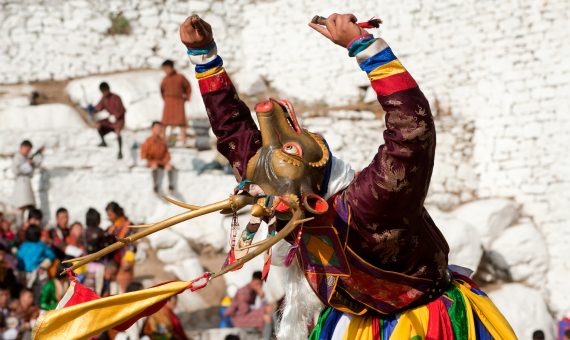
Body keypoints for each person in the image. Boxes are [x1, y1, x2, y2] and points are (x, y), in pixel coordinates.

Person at [179, 14, 516, 339]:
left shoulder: (371, 201)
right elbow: (235, 137)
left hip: (428, 322)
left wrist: (364, 47)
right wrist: (204, 57)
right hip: (351, 324)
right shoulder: (274, 186)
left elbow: (412, 131)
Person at [224, 271, 275, 338]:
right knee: (267, 318)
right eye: (258, 284)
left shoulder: (252, 291)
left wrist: (262, 299)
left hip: (246, 316)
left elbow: (257, 307)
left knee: (270, 311)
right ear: (254, 281)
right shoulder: (243, 292)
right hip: (239, 319)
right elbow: (245, 311)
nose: (260, 286)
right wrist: (263, 308)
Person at [160, 59, 192, 146]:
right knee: (164, 122)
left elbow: (188, 87)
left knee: (181, 122)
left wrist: (187, 97)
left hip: (179, 101)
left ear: (172, 68)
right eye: (164, 69)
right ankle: (163, 141)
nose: (165, 71)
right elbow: (161, 90)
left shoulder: (180, 77)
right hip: (168, 101)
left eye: (167, 68)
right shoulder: (164, 79)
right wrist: (166, 99)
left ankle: (183, 141)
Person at [92, 82, 126, 159]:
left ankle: (120, 151)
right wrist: (92, 109)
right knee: (98, 124)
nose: (104, 93)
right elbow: (99, 107)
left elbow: (121, 110)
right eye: (103, 92)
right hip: (110, 120)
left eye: (105, 91)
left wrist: (116, 116)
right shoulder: (103, 99)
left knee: (117, 131)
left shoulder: (116, 97)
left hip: (119, 120)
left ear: (108, 89)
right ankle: (103, 142)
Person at [140, 121, 175, 193]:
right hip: (152, 161)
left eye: (160, 128)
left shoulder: (162, 141)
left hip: (161, 162)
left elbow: (166, 153)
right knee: (154, 166)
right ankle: (155, 185)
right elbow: (144, 153)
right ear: (152, 129)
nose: (159, 130)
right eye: (157, 128)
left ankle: (171, 186)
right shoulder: (148, 141)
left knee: (169, 167)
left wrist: (166, 161)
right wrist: (146, 160)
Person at [11, 140, 43, 216]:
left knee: (29, 205)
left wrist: (38, 155)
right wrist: (27, 164)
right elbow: (16, 170)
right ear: (22, 147)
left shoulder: (27, 157)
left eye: (29, 150)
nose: (28, 152)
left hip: (27, 183)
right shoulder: (17, 158)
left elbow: (36, 165)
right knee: (21, 205)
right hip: (21, 184)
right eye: (27, 149)